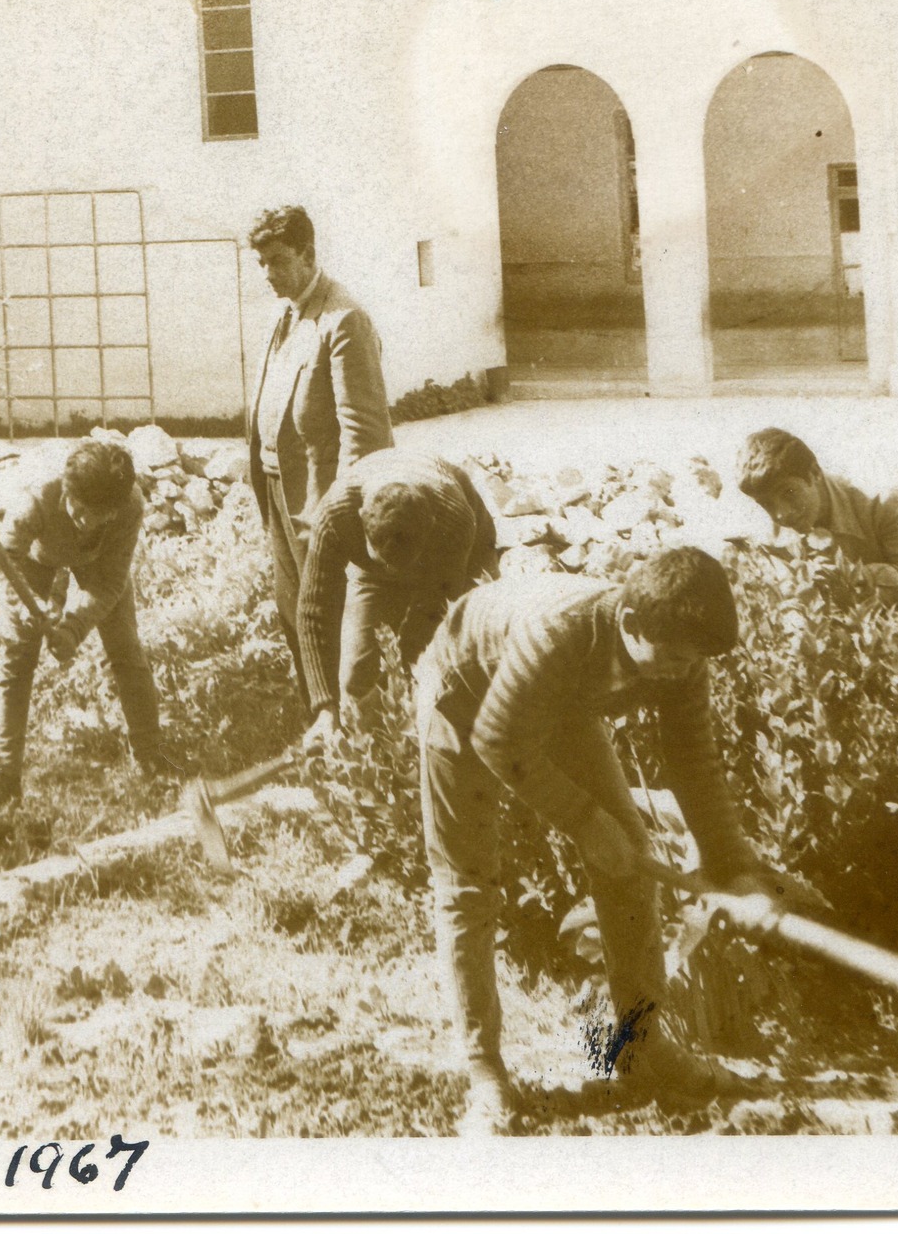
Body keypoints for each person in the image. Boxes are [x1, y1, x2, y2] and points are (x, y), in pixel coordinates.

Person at [413, 548, 817, 1135]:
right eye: (675, 659)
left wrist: (737, 870)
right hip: (463, 698)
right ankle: (485, 1072)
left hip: (561, 705)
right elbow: (498, 740)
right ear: (629, 625)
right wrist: (583, 819)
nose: (683, 672)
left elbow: (694, 765)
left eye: (694, 662)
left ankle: (641, 1051)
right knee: (468, 888)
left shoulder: (681, 653)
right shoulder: (557, 634)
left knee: (630, 864)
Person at [0, 439, 181, 815]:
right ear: (67, 491)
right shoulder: (37, 494)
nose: (86, 521)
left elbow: (108, 583)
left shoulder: (129, 505)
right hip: (34, 561)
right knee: (15, 660)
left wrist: (72, 629)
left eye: (99, 515)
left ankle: (152, 757)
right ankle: (4, 777)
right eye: (80, 510)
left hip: (99, 563)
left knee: (127, 651)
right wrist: (30, 607)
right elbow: (5, 560)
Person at [245, 204, 395, 698]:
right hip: (277, 490)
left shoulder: (343, 318)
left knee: (324, 614)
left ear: (309, 255)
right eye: (262, 262)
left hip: (320, 501)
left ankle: (346, 726)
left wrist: (343, 514)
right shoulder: (285, 313)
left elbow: (366, 431)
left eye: (279, 260)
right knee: (291, 607)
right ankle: (317, 717)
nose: (268, 273)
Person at [296, 449, 500, 750]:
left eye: (401, 566)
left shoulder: (452, 516)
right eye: (386, 562)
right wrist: (326, 707)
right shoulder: (335, 514)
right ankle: (365, 749)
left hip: (458, 554)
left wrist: (403, 673)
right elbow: (314, 610)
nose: (397, 574)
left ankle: (439, 750)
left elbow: (437, 613)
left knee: (448, 669)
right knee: (357, 676)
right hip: (372, 572)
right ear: (363, 518)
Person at [735, 427, 898, 610]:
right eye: (766, 504)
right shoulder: (765, 535)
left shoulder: (884, 501)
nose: (781, 515)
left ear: (815, 473)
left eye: (789, 493)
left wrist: (856, 577)